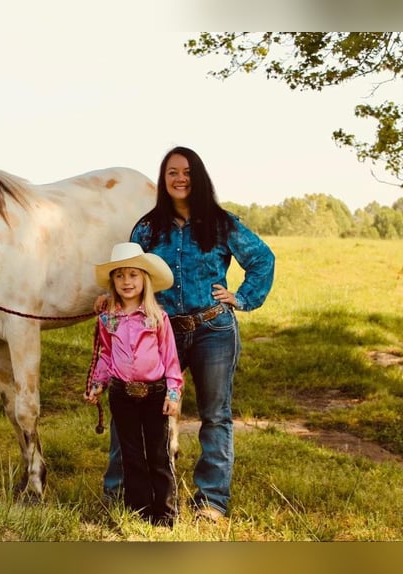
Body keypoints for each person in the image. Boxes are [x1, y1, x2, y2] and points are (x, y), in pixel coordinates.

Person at [98, 146, 275, 522]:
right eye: (172, 173)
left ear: (199, 178)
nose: (180, 179)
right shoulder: (147, 228)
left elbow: (262, 258)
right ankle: (122, 490)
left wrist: (242, 297)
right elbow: (129, 274)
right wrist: (111, 298)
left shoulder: (221, 222)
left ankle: (211, 500)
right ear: (164, 180)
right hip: (160, 331)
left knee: (215, 414)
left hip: (213, 329)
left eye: (187, 172)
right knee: (134, 407)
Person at [85, 242, 184, 527]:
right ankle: (139, 510)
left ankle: (164, 514)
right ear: (113, 282)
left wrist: (173, 392)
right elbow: (105, 355)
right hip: (121, 394)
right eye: (120, 276)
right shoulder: (108, 319)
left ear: (145, 280)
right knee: (130, 453)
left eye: (133, 275)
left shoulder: (157, 318)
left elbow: (170, 359)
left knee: (158, 453)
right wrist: (97, 383)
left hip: (155, 394)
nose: (126, 282)